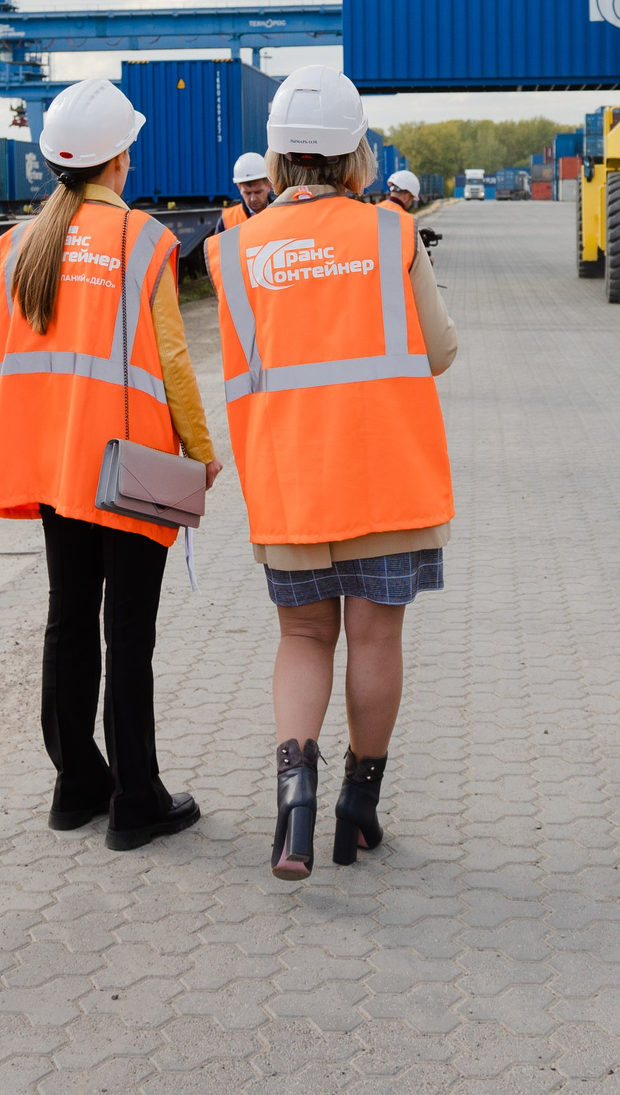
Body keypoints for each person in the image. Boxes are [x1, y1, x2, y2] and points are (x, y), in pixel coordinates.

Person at [212, 66, 458, 881]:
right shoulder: (390, 232)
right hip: (385, 475)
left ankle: (295, 809)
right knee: (376, 637)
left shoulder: (235, 249)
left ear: (277, 160)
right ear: (357, 155)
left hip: (291, 482)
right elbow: (439, 350)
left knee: (303, 637)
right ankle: (358, 806)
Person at [0, 80, 219, 850]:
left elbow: (11, 362)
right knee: (129, 633)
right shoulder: (142, 239)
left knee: (69, 619)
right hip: (130, 463)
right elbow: (173, 360)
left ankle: (76, 782)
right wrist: (201, 450)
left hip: (56, 461)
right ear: (119, 158)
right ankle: (136, 800)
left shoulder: (19, 243)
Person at [204, 150, 275, 279]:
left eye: (258, 192)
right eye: (247, 193)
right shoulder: (227, 219)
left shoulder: (282, 212)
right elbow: (218, 260)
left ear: (269, 185)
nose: (253, 199)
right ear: (239, 188)